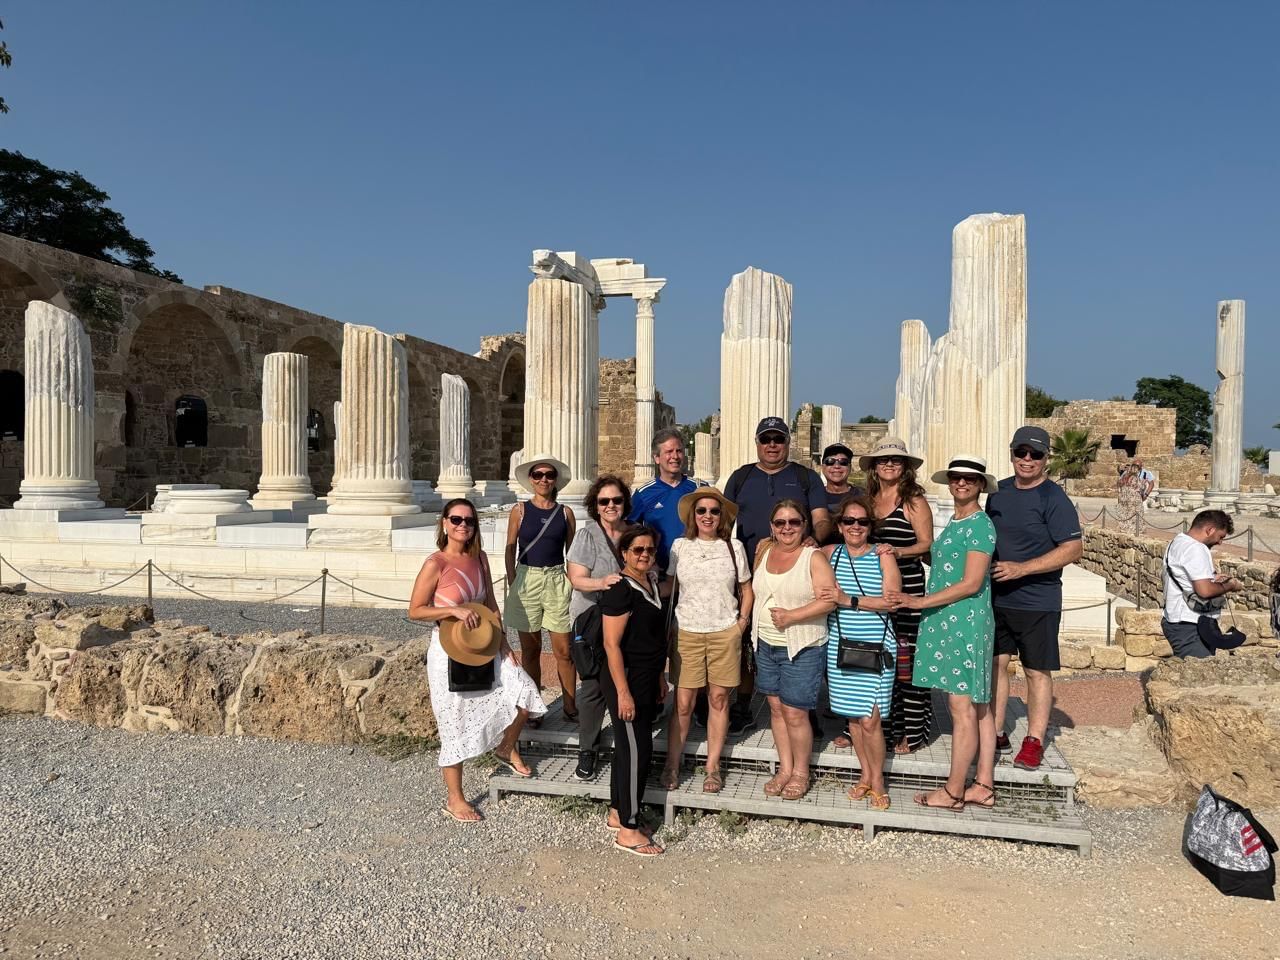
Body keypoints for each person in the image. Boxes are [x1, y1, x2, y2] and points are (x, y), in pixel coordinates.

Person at [410, 498, 547, 823]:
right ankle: (455, 798)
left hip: (484, 643)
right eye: (456, 520)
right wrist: (453, 609)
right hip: (448, 650)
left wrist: (505, 646)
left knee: (524, 691)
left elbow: (491, 605)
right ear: (444, 523)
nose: (463, 526)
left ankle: (506, 745)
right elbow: (415, 610)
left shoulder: (480, 557)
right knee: (453, 721)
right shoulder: (436, 563)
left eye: (469, 521)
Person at [889, 457, 999, 811]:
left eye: (970, 479)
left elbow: (971, 583)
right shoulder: (956, 521)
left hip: (965, 619)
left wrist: (918, 601)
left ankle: (953, 792)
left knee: (961, 705)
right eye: (956, 478)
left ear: (981, 484)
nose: (962, 483)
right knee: (977, 705)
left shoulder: (981, 525)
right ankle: (983, 784)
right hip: (950, 620)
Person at [723, 416, 831, 734]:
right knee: (748, 642)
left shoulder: (804, 476)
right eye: (766, 439)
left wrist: (815, 538)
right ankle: (743, 704)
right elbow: (722, 521)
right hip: (750, 572)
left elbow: (821, 518)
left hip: (795, 568)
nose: (772, 445)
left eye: (778, 439)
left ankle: (802, 706)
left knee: (799, 638)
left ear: (787, 443)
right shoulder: (741, 477)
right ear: (757, 443)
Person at [986, 426, 1083, 770]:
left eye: (1035, 454)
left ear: (1046, 459)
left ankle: (1034, 739)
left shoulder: (1053, 498)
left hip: (1037, 600)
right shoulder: (997, 492)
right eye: (1021, 452)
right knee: (996, 664)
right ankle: (996, 729)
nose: (1027, 460)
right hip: (998, 596)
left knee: (1035, 671)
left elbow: (1072, 548)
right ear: (1012, 452)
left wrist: (1022, 569)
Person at [661, 488, 753, 794]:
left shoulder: (734, 547)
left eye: (714, 511)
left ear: (722, 515)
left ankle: (713, 766)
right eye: (701, 511)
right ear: (693, 515)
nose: (708, 516)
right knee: (683, 703)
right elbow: (669, 587)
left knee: (718, 699)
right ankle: (673, 763)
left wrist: (741, 624)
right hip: (687, 630)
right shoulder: (679, 546)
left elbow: (746, 589)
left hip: (724, 630)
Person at [750, 499, 838, 801]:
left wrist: (793, 616)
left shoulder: (813, 558)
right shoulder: (764, 551)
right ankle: (784, 768)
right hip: (765, 643)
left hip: (802, 644)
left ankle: (801, 771)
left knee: (796, 712)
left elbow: (829, 600)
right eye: (780, 523)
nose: (787, 528)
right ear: (772, 527)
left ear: (804, 525)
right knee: (776, 709)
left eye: (794, 522)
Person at [818, 495, 901, 811]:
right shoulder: (829, 554)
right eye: (849, 521)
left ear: (871, 526)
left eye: (862, 521)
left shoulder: (883, 556)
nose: (855, 526)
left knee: (870, 720)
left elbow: (892, 600)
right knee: (853, 719)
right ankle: (865, 775)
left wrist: (847, 599)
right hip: (841, 645)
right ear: (839, 526)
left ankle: (878, 780)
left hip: (877, 646)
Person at [862, 437, 934, 754]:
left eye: (895, 460)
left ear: (904, 467)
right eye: (883, 460)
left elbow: (927, 545)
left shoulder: (914, 502)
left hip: (907, 590)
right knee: (879, 661)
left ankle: (914, 731)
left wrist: (897, 551)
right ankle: (885, 729)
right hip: (874, 591)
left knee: (907, 663)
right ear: (874, 467)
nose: (889, 464)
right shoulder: (868, 501)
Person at [599, 525, 669, 856]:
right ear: (624, 553)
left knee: (629, 748)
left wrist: (658, 677)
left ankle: (618, 812)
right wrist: (623, 692)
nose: (644, 555)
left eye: (649, 550)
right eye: (637, 550)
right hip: (624, 677)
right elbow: (612, 645)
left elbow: (651, 639)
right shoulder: (620, 590)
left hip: (645, 675)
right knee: (636, 750)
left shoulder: (651, 583)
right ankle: (629, 829)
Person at [564, 474, 630, 781]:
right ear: (596, 505)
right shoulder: (587, 535)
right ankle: (587, 750)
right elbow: (576, 578)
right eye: (604, 501)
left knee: (623, 680)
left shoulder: (634, 533)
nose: (611, 506)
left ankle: (626, 746)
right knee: (592, 686)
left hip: (625, 619)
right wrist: (602, 582)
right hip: (592, 617)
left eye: (616, 500)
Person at [504, 455, 576, 728]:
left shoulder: (565, 513)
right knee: (530, 650)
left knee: (564, 650)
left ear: (555, 479)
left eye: (549, 475)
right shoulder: (519, 511)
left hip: (556, 578)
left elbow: (572, 552)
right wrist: (514, 580)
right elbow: (511, 547)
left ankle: (570, 705)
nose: (544, 479)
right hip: (527, 579)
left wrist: (571, 582)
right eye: (538, 475)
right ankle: (535, 708)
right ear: (531, 480)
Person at [1161, 509, 1245, 658]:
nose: (1220, 542)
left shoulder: (1178, 541)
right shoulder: (1196, 548)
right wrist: (1231, 585)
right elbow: (1204, 591)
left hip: (1181, 621)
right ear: (1210, 530)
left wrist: (1212, 577)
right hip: (1189, 625)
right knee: (1200, 678)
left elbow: (1186, 576)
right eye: (1220, 536)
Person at [628, 428, 707, 571]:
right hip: (659, 573)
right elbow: (629, 531)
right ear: (656, 458)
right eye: (669, 452)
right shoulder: (643, 494)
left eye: (679, 451)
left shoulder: (699, 488)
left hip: (696, 570)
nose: (675, 456)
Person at [818, 442, 864, 545]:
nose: (837, 466)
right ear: (823, 467)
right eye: (830, 462)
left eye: (843, 462)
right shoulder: (814, 496)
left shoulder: (863, 496)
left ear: (850, 467)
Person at [1114, 462, 1145, 536]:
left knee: (1125, 514)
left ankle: (1124, 529)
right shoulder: (1135, 477)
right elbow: (1140, 487)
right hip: (1133, 498)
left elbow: (1119, 484)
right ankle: (1133, 530)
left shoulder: (1125, 476)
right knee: (1133, 514)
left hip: (1124, 497)